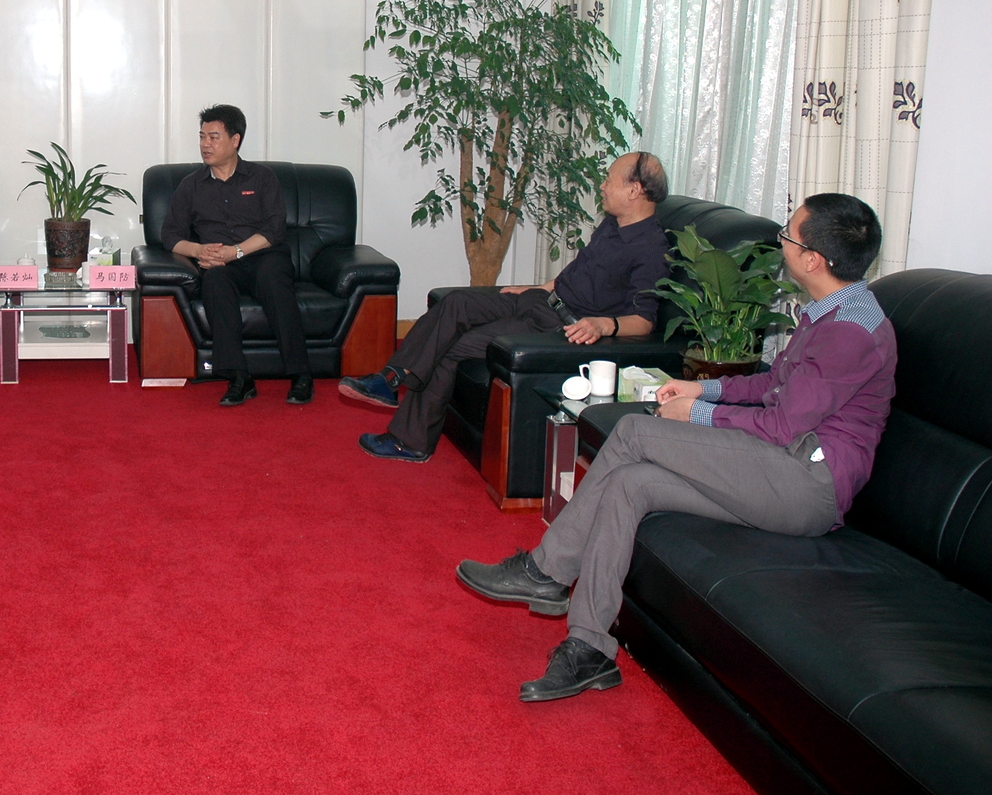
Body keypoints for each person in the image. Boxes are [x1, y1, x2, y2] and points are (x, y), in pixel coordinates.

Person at [457, 194, 894, 702]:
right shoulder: (830, 311)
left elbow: (783, 424)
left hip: (806, 483)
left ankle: (545, 571)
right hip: (780, 466)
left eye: (788, 236)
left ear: (814, 260)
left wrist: (697, 414)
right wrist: (702, 389)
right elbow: (773, 383)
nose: (782, 243)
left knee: (633, 432)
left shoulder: (851, 331)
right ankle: (589, 648)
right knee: (629, 483)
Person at [343, 151, 671, 462]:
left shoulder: (652, 249)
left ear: (634, 190)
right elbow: (581, 273)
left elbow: (644, 320)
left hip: (559, 327)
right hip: (542, 300)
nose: (602, 185)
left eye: (609, 179)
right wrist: (541, 287)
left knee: (454, 346)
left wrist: (602, 325)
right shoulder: (613, 224)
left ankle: (409, 441)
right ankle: (390, 378)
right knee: (456, 303)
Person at [162, 104, 312, 406]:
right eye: (202, 136)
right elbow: (170, 235)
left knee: (274, 280)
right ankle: (239, 378)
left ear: (235, 140)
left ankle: (301, 374)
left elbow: (274, 229)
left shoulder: (262, 178)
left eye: (213, 137)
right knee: (215, 281)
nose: (205, 144)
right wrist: (198, 250)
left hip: (263, 256)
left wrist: (237, 251)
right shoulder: (191, 185)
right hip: (219, 262)